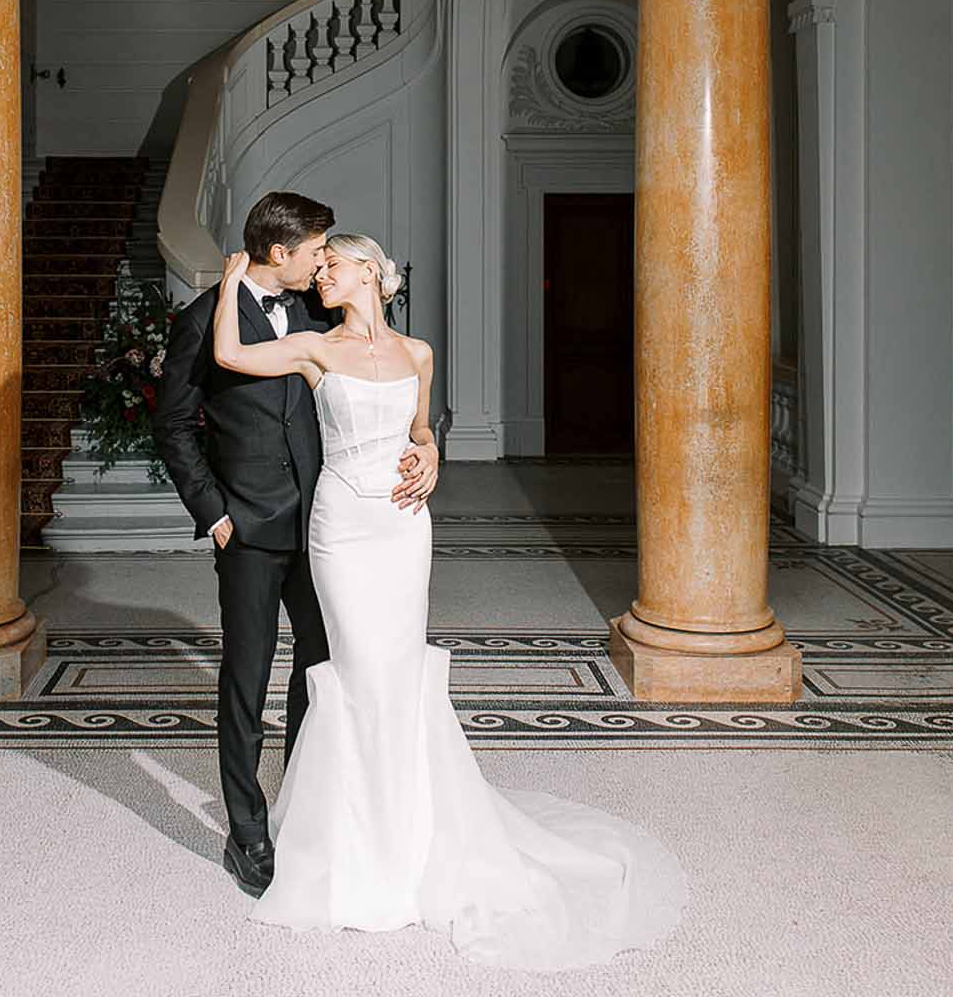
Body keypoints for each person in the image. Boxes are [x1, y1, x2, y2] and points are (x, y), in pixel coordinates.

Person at [210, 231, 689, 974]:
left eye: (330, 266)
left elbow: (421, 427)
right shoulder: (315, 347)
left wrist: (429, 455)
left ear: (367, 270)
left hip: (404, 526)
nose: (319, 278)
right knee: (358, 671)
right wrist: (229, 282)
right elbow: (232, 357)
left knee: (398, 670)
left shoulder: (419, 354)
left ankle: (414, 834)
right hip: (341, 526)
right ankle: (354, 844)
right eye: (320, 269)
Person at [152, 192, 436, 898]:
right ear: (281, 253)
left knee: (321, 673)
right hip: (247, 530)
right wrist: (215, 514)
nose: (321, 264)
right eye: (315, 252)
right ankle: (247, 832)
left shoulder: (319, 311)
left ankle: (303, 808)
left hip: (328, 527)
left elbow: (401, 391)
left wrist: (432, 451)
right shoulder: (201, 321)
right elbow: (174, 426)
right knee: (245, 681)